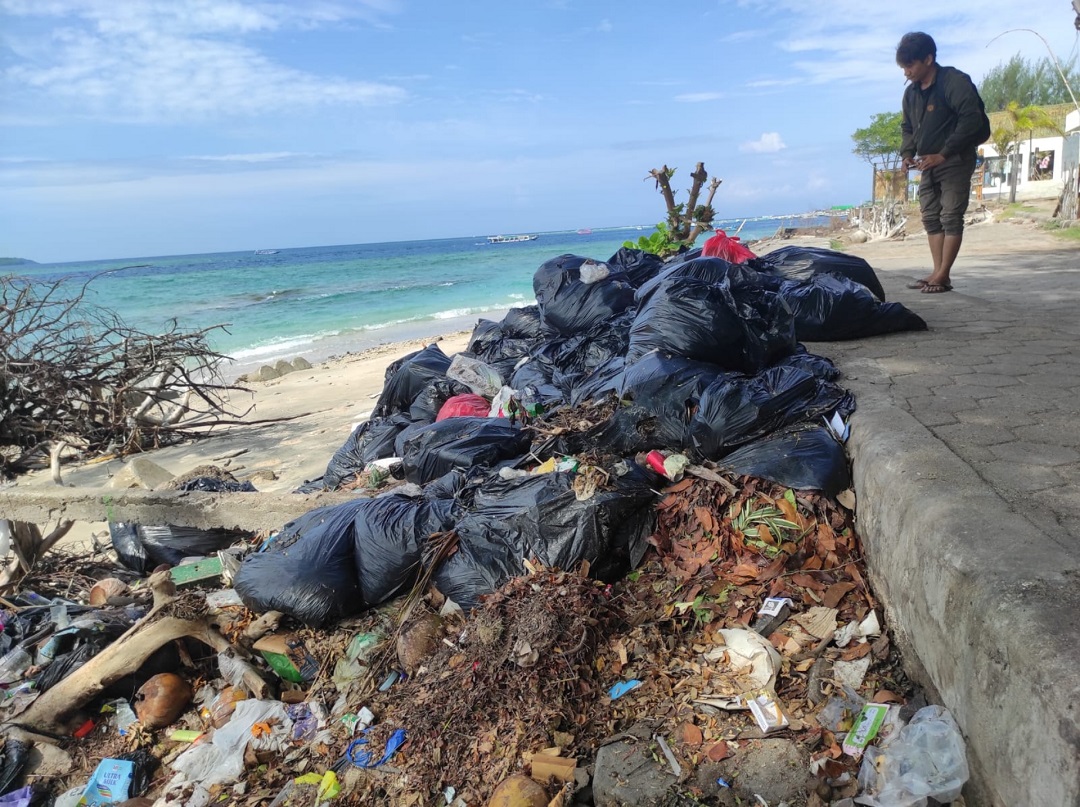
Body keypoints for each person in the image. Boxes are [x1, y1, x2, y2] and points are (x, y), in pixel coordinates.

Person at [897, 32, 991, 294]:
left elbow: (971, 120)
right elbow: (907, 128)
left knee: (950, 215)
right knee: (930, 217)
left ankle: (943, 274)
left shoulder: (954, 82)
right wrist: (907, 154)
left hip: (955, 159)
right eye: (903, 67)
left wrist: (944, 153)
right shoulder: (911, 94)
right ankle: (937, 272)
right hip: (927, 163)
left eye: (910, 65)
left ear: (928, 59)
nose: (906, 72)